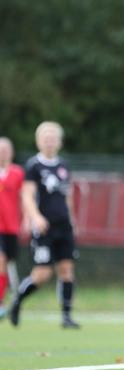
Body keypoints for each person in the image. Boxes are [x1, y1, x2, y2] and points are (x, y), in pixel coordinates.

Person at [10, 122, 80, 328]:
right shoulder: (34, 166)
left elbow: (67, 195)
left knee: (67, 270)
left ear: (59, 142)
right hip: (44, 228)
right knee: (42, 274)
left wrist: (72, 219)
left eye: (53, 138)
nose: (49, 141)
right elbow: (27, 195)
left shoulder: (63, 165)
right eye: (45, 138)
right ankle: (18, 299)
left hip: (64, 226)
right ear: (39, 141)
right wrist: (35, 217)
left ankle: (66, 316)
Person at [0, 137, 25, 320]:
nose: (2, 153)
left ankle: (11, 299)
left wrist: (27, 220)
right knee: (0, 260)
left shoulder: (18, 173)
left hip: (12, 227)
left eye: (5, 149)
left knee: (8, 264)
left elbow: (24, 198)